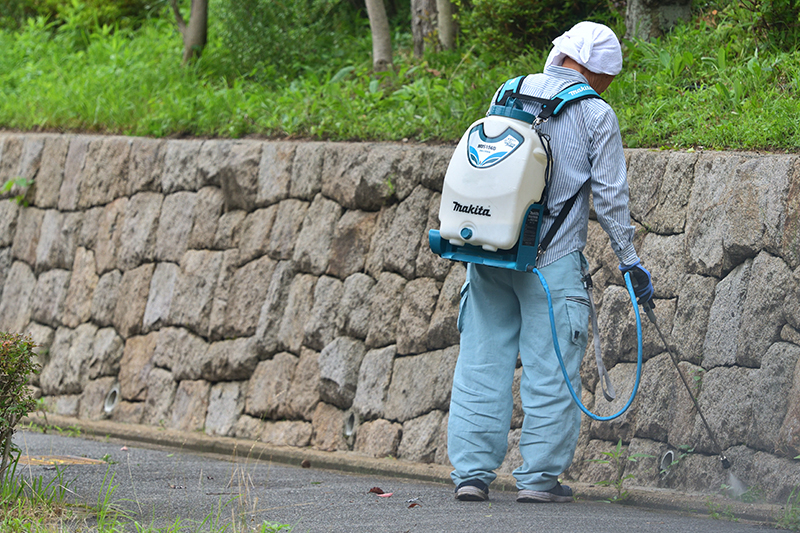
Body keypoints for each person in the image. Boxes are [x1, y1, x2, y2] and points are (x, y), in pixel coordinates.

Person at [447, 21, 655, 503]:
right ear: (593, 69)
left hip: (490, 251)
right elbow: (609, 197)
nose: (608, 85)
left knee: (480, 362)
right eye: (608, 75)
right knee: (552, 369)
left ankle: (472, 476)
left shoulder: (510, 90)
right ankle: (538, 480)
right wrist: (629, 260)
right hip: (552, 261)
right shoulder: (596, 113)